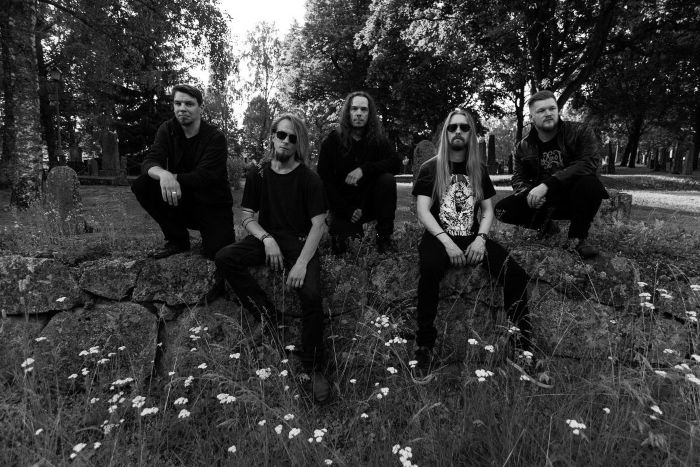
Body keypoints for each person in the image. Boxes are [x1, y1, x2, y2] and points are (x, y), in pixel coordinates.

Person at [215, 113, 330, 402]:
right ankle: (267, 315)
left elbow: (319, 225)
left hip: (300, 241)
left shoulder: (309, 178)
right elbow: (246, 216)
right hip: (267, 237)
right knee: (226, 257)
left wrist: (301, 263)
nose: (286, 141)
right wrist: (266, 239)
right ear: (272, 137)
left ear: (299, 142)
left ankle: (313, 367)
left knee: (312, 295)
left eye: (293, 137)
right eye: (281, 135)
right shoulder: (259, 174)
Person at [412, 108, 533, 370]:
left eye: (464, 127)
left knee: (515, 274)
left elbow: (488, 210)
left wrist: (480, 240)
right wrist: (447, 243)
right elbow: (422, 211)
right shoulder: (431, 167)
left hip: (472, 236)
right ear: (446, 133)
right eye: (452, 127)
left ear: (470, 133)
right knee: (430, 269)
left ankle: (523, 347)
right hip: (438, 237)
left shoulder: (477, 169)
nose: (458, 132)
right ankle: (424, 347)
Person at [494, 90, 608, 259]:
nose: (548, 113)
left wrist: (547, 185)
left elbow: (588, 163)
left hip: (576, 197)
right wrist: (528, 194)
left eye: (552, 108)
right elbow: (518, 177)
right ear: (532, 117)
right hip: (545, 202)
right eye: (541, 110)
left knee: (591, 184)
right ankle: (547, 227)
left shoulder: (580, 131)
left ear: (557, 110)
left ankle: (576, 240)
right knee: (502, 209)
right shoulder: (523, 146)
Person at [131, 84, 235, 259]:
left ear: (200, 108)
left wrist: (172, 177)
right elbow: (150, 161)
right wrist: (163, 174)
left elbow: (203, 177)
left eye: (189, 104)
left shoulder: (215, 137)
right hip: (181, 200)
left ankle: (213, 237)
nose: (182, 108)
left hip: (213, 205)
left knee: (218, 254)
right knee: (143, 184)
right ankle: (177, 240)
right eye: (178, 103)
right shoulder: (167, 129)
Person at [317, 91, 402, 254]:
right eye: (354, 109)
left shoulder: (377, 140)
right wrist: (346, 210)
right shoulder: (333, 140)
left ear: (369, 114)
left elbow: (395, 163)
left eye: (363, 109)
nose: (358, 113)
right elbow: (324, 180)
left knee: (387, 180)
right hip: (344, 208)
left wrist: (364, 169)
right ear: (348, 112)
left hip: (370, 203)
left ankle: (384, 237)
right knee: (346, 249)